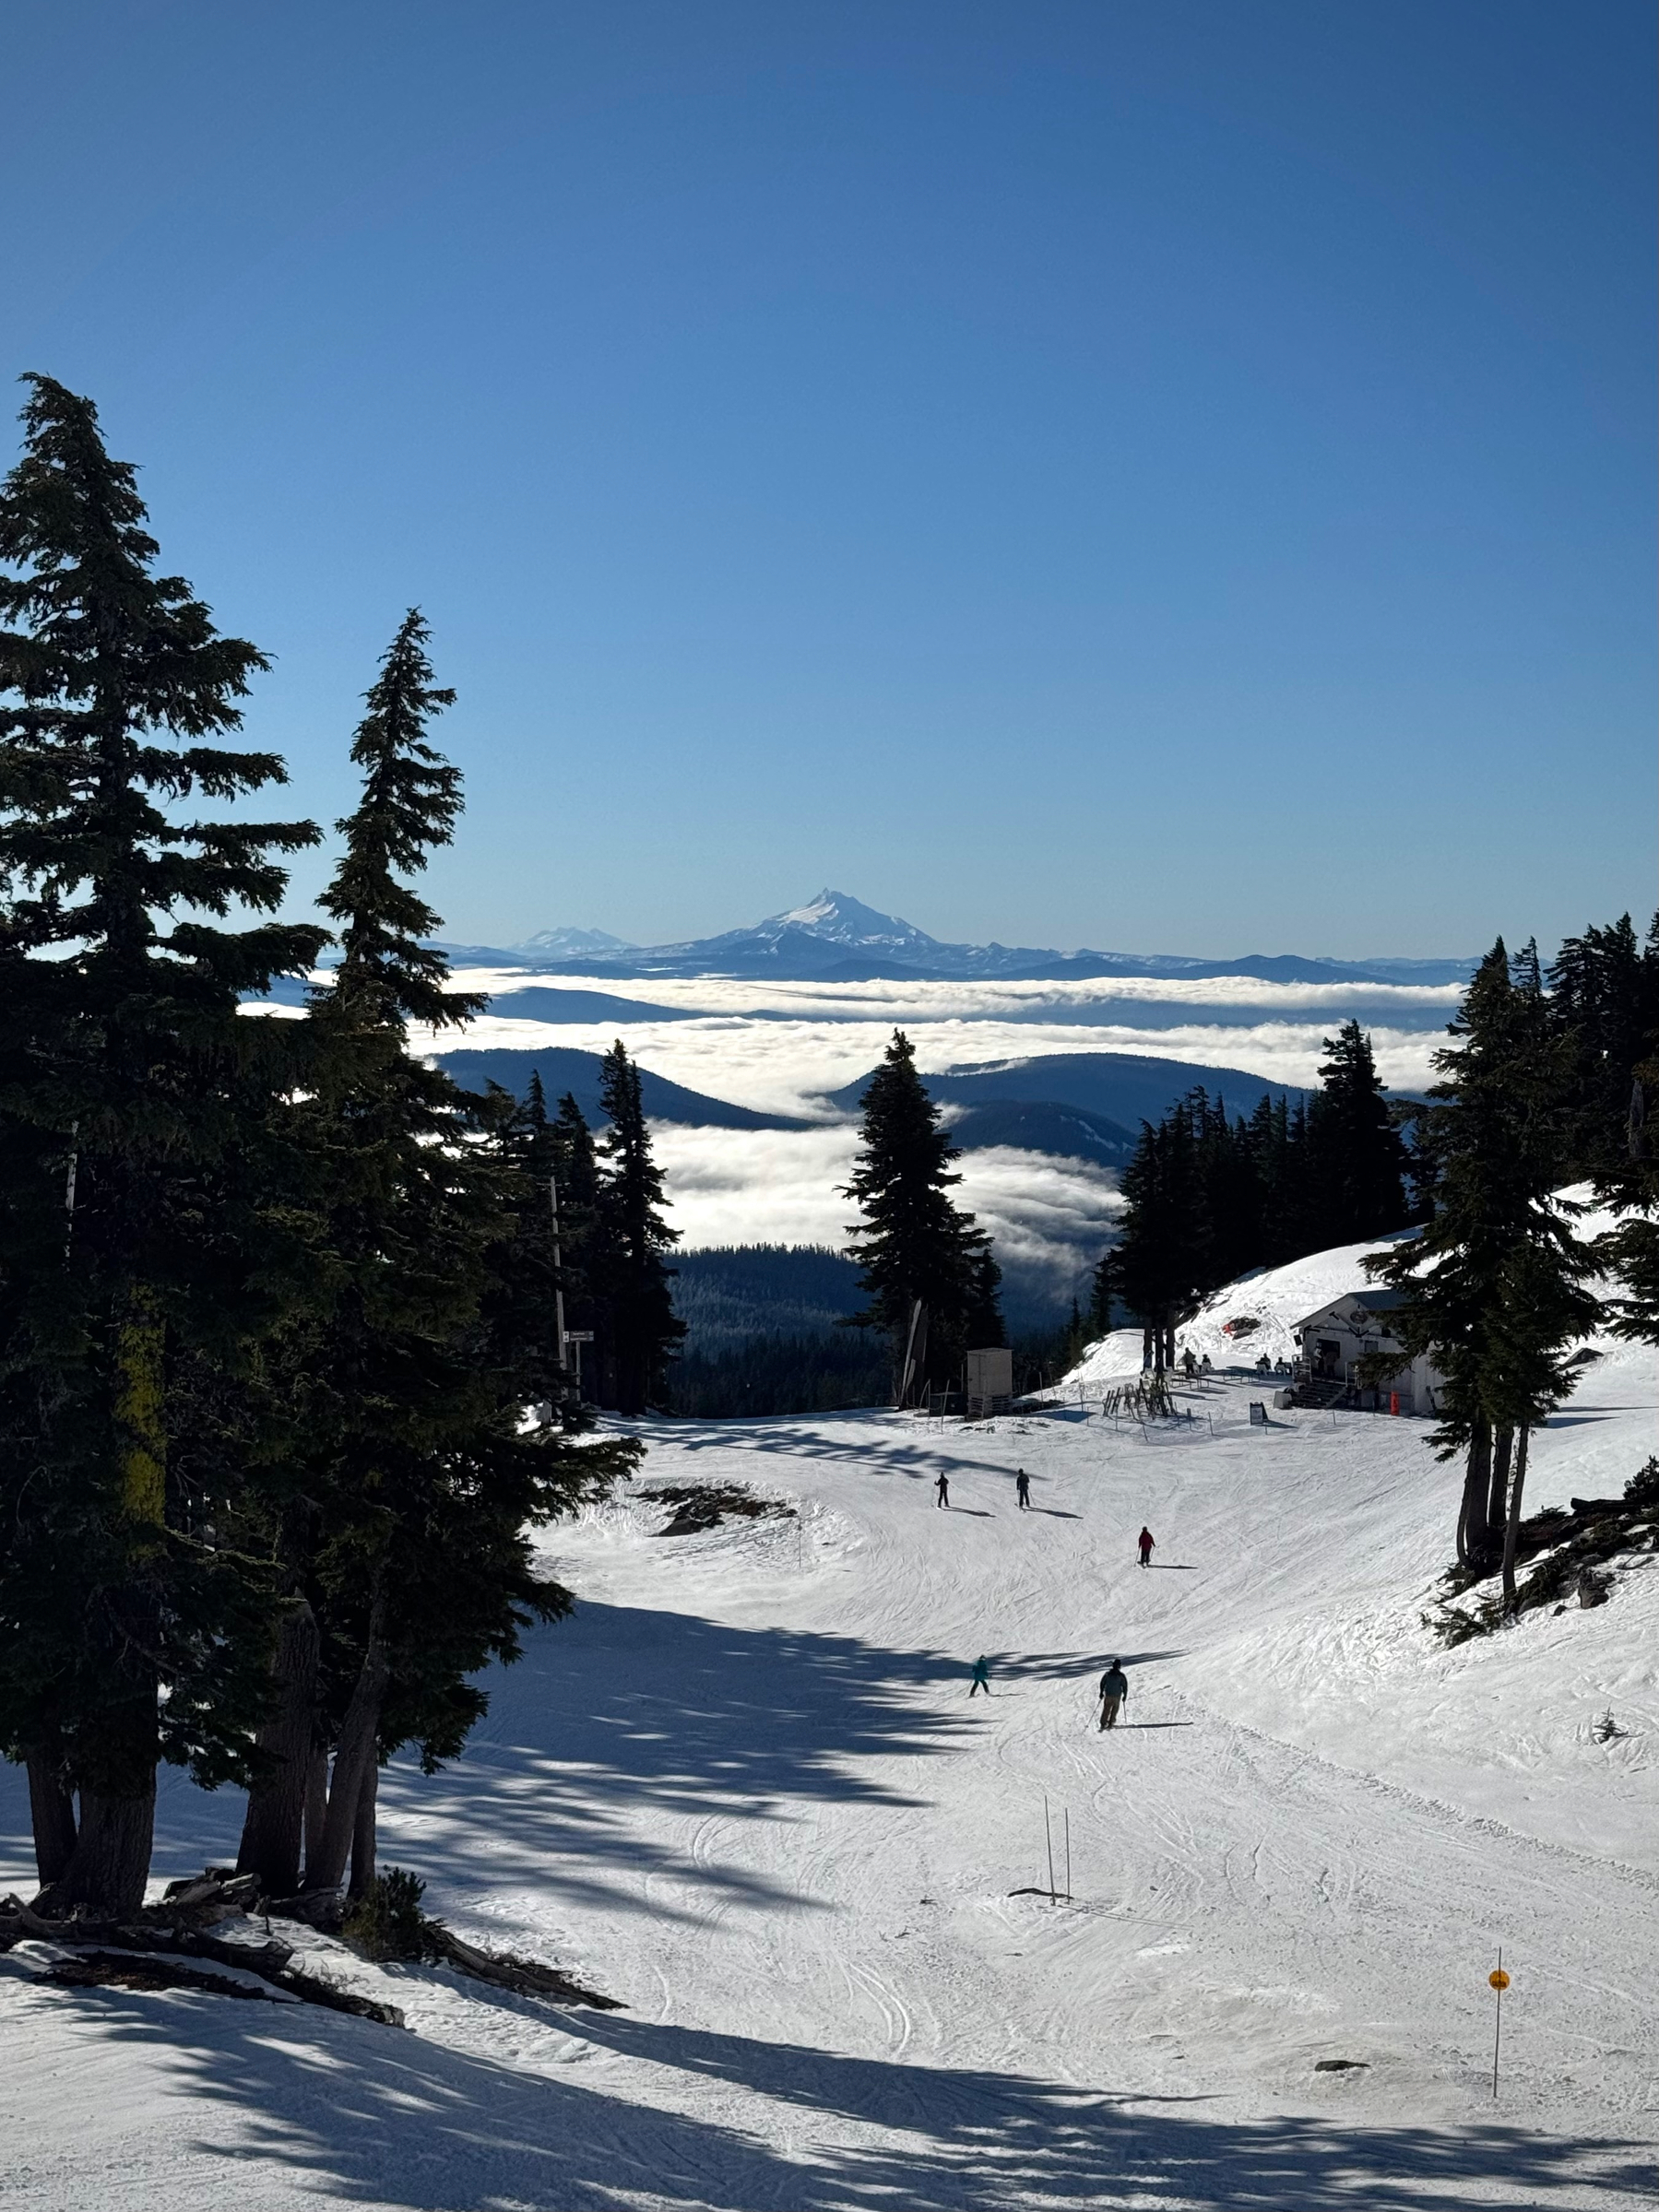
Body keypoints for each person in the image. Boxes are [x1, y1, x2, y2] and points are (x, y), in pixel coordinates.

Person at [1098, 1660, 1128, 1730]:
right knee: (1115, 1709)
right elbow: (1124, 1686)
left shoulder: (1107, 1674)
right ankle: (1111, 1722)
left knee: (1106, 1708)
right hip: (1117, 1695)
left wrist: (1101, 1692)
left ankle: (1103, 1722)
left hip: (1108, 1694)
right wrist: (1125, 1695)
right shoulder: (1121, 1676)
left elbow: (1102, 1683)